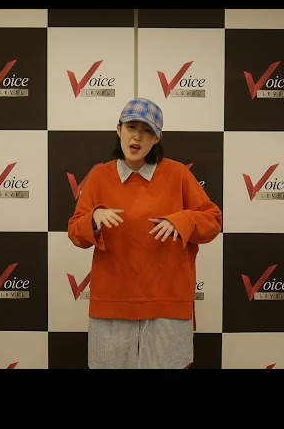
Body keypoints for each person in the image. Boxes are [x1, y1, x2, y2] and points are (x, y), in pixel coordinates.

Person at [67, 97, 222, 369]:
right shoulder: (99, 176)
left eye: (147, 130)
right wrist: (93, 219)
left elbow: (213, 221)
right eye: (131, 127)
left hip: (167, 302)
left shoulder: (177, 174)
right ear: (119, 130)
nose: (137, 136)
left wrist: (182, 220)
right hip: (113, 302)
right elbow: (75, 232)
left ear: (157, 138)